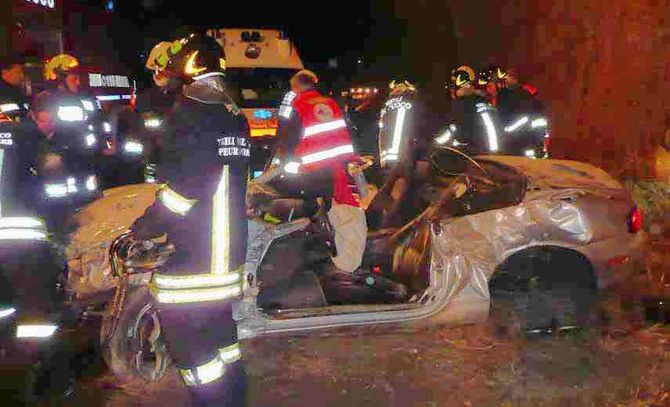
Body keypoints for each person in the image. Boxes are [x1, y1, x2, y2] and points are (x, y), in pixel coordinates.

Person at [129, 33, 249, 406]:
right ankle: (234, 398)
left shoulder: (191, 112)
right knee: (221, 338)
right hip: (225, 255)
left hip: (195, 258)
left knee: (191, 348)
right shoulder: (232, 114)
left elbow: (187, 188)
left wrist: (147, 225)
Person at [274, 69, 367, 275]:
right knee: (337, 214)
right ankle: (339, 255)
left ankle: (321, 257)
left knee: (308, 213)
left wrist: (281, 166)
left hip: (310, 173)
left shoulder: (296, 106)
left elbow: (286, 140)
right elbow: (346, 134)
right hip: (336, 171)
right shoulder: (331, 104)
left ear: (296, 87)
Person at [373, 79, 430, 228]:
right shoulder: (413, 102)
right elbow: (420, 128)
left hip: (387, 158)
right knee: (403, 198)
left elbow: (381, 131)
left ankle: (381, 224)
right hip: (404, 157)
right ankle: (393, 229)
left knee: (389, 193)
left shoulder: (387, 105)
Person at [435, 65, 503, 155]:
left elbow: (490, 128)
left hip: (477, 156)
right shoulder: (465, 103)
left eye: (454, 81)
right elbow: (453, 127)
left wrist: (494, 153)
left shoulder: (474, 103)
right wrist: (437, 142)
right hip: (466, 155)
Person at [0, 55, 30, 122]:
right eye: (17, 72)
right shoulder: (3, 92)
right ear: (5, 73)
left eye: (22, 73)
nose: (21, 76)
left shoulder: (19, 92)